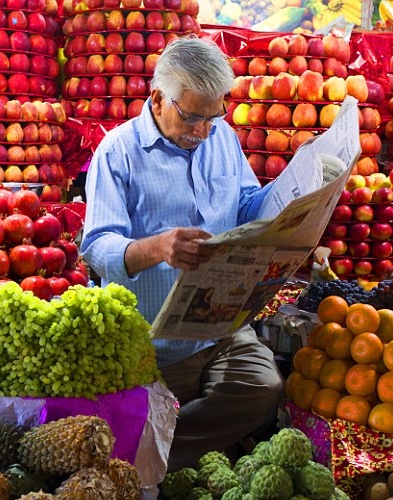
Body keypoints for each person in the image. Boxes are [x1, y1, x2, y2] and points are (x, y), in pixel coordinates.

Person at [80, 37, 285, 471]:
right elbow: (97, 247)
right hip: (156, 341)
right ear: (158, 98)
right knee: (146, 409)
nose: (203, 131)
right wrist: (158, 247)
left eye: (213, 117)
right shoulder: (118, 152)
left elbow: (247, 204)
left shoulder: (222, 138)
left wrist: (293, 198)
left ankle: (149, 459)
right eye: (192, 117)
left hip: (221, 325)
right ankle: (146, 461)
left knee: (263, 388)